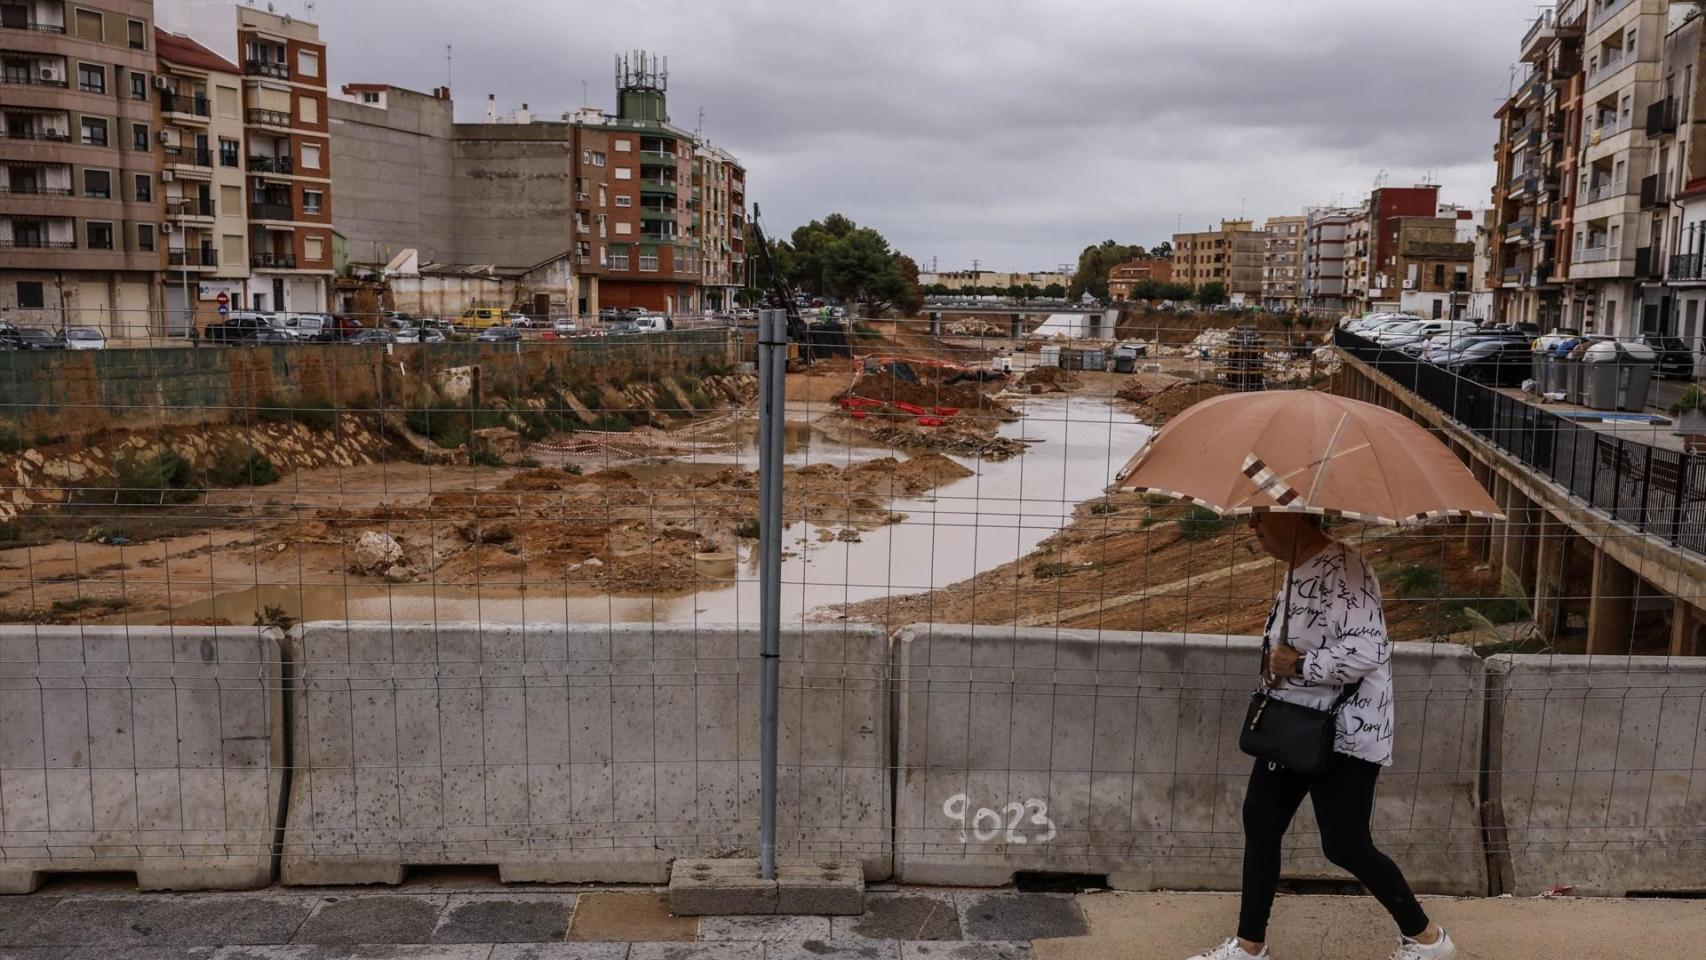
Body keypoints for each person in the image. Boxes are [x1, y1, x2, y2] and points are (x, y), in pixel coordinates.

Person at [1187, 512, 1457, 960]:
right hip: (1293, 726)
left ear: (1296, 516)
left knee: (1345, 844)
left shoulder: (1346, 568)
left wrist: (1295, 666)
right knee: (1261, 821)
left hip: (1343, 732)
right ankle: (1249, 946)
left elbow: (1367, 650)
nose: (1252, 525)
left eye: (1261, 516)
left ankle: (1428, 938)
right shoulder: (1300, 568)